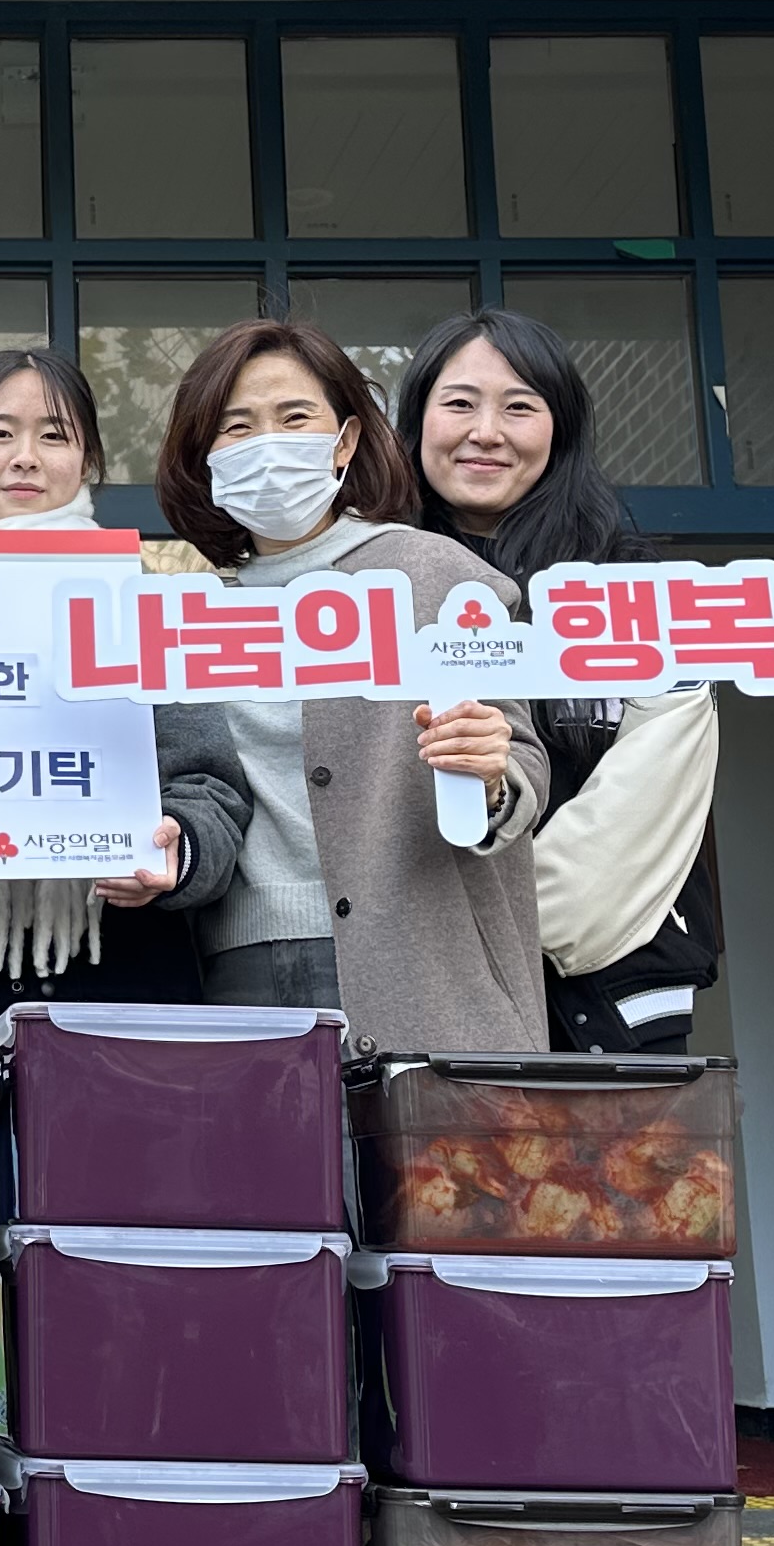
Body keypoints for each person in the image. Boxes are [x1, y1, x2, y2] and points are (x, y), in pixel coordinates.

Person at [134, 317, 550, 1048]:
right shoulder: (189, 614)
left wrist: (489, 771)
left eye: (294, 417)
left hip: (427, 969)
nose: (266, 443)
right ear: (206, 459)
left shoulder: (436, 576)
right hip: (242, 973)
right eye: (236, 427)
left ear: (346, 441)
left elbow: (520, 763)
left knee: (440, 1167)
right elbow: (203, 792)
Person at [398, 306, 723, 1053]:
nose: (486, 431)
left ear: (562, 431)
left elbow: (647, 798)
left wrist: (484, 913)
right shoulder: (368, 594)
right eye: (458, 404)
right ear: (414, 424)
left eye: (520, 407)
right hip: (428, 990)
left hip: (611, 991)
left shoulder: (635, 589)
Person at [0, 347, 230, 1039]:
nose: (25, 457)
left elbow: (210, 785)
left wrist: (177, 854)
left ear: (87, 462)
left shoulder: (145, 598)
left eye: (54, 435)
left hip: (126, 977)